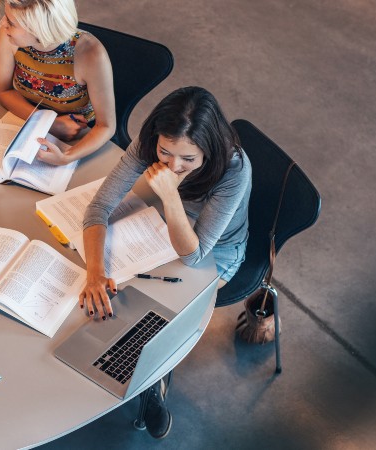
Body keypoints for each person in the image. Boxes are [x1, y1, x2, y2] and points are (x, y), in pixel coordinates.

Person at [79, 86, 252, 438]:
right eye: (165, 152)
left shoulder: (234, 170)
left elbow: (195, 255)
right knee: (116, 290)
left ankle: (149, 388)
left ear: (209, 149)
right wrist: (95, 273)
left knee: (157, 312)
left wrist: (170, 195)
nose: (173, 165)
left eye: (188, 159)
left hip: (217, 252)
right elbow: (98, 209)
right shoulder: (149, 144)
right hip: (161, 224)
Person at [0, 0, 116, 166]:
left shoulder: (91, 54)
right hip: (26, 118)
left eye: (10, 22)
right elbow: (2, 91)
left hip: (77, 134)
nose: (2, 23)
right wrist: (51, 124)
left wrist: (66, 157)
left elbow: (106, 126)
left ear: (39, 28)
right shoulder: (8, 36)